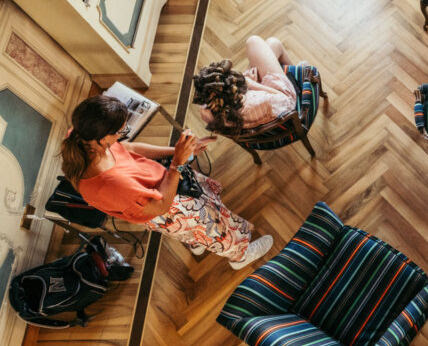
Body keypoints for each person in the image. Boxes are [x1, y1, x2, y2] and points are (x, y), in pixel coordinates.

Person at [60, 95, 272, 269]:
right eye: (121, 131)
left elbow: (130, 149)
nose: (123, 134)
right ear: (104, 138)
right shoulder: (112, 184)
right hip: (166, 205)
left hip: (163, 183)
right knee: (215, 225)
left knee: (200, 225)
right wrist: (178, 162)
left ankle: (196, 241)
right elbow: (161, 206)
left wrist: (181, 153)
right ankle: (240, 255)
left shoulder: (81, 137)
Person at [193, 35, 299, 131]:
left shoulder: (209, 112)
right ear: (235, 91)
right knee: (267, 42)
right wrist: (253, 84)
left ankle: (290, 67)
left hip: (256, 117)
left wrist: (248, 81)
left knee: (271, 46)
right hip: (281, 104)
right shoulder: (258, 102)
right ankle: (296, 75)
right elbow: (285, 99)